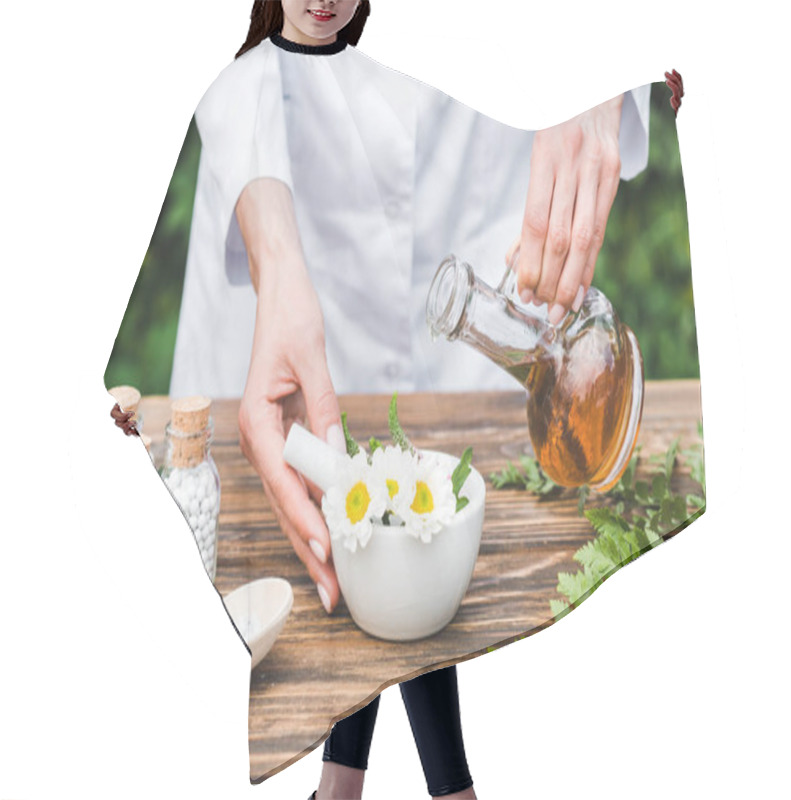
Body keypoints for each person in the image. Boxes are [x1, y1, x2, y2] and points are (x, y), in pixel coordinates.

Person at [155, 1, 650, 796]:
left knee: (407, 592)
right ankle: (420, 789)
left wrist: (594, 59)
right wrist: (277, 253)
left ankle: (353, 789)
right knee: (384, 589)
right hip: (288, 230)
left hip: (480, 227)